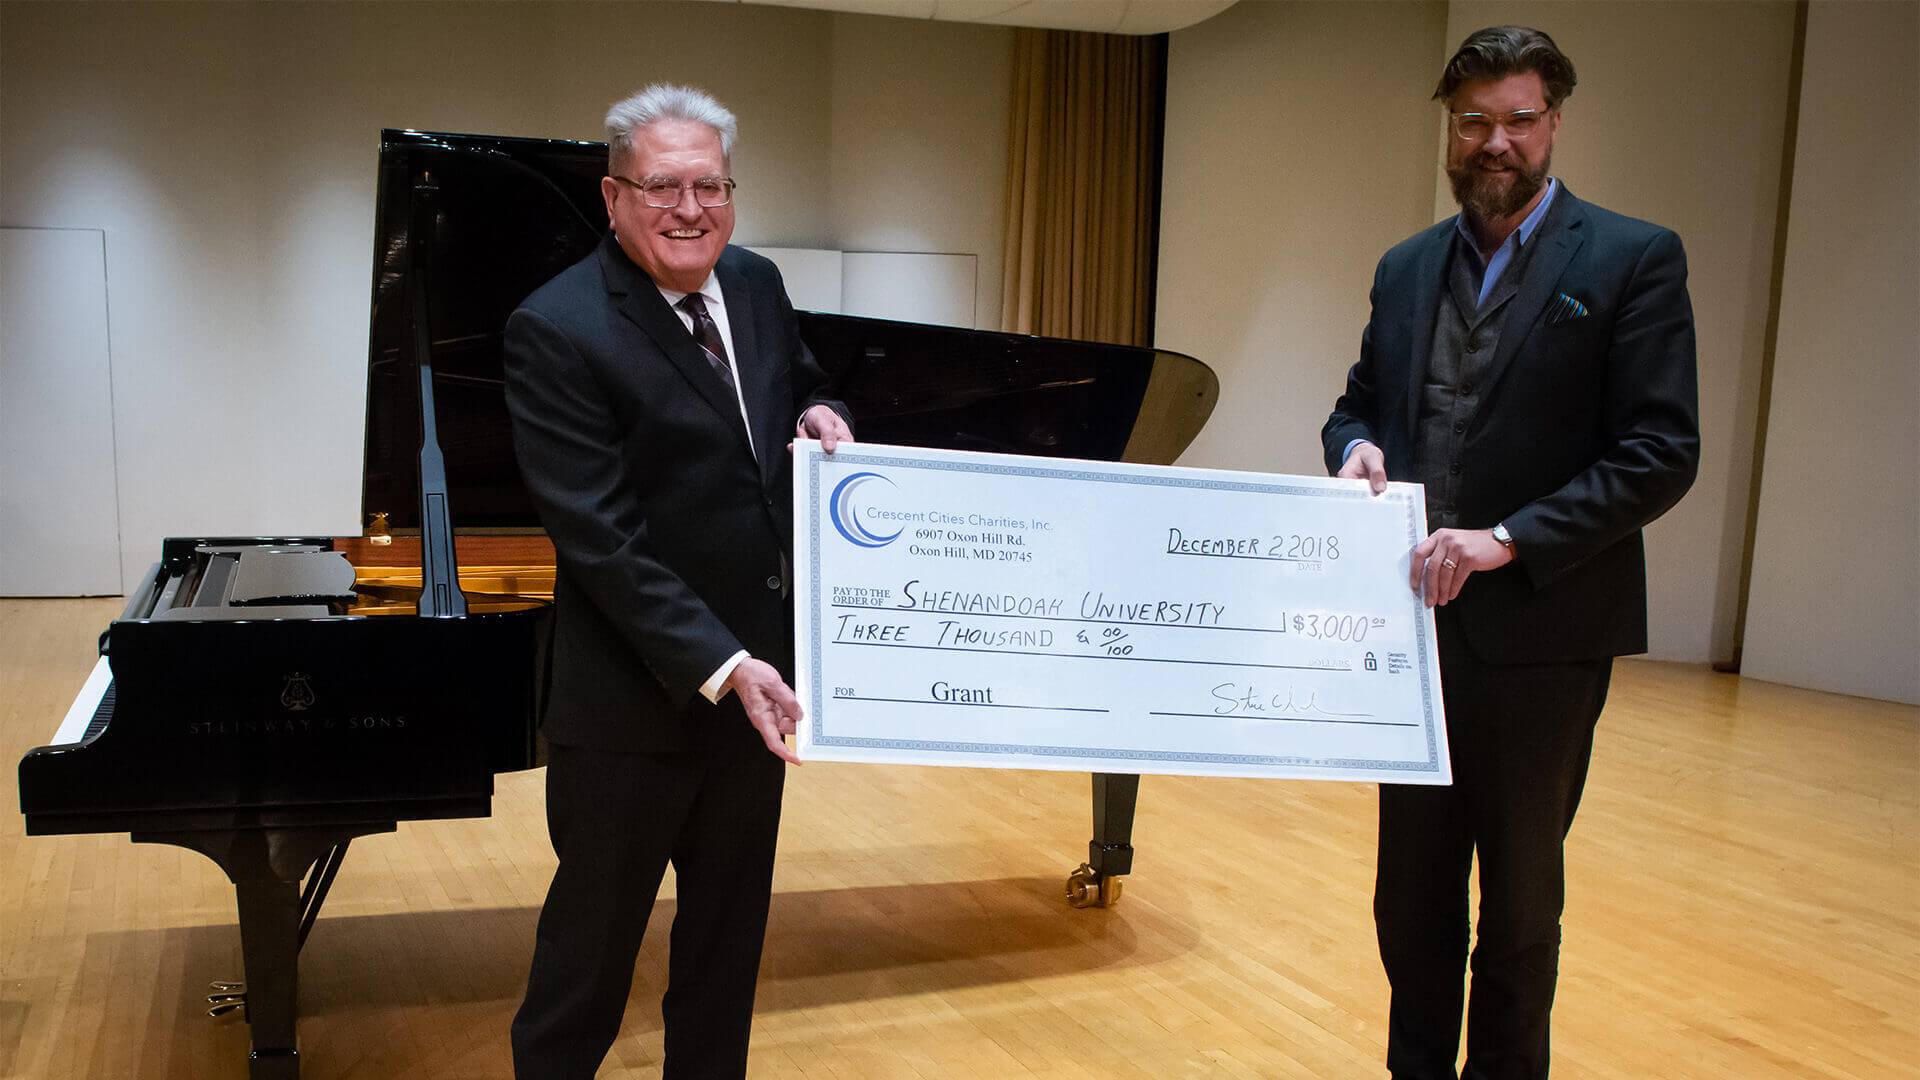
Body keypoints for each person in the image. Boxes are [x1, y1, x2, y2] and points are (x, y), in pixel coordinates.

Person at [1321, 26, 1699, 1080]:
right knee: (1410, 897)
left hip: (1546, 635)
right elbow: (1359, 405)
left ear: (1554, 124)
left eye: (1519, 120)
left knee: (1522, 902)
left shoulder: (1632, 258)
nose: (1496, 142)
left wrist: (1506, 539)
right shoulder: (1406, 268)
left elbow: (1662, 452)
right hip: (1411, 636)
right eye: (1474, 122)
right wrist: (1355, 449)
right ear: (1451, 129)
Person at [502, 83, 853, 1079]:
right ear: (614, 197)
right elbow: (600, 539)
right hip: (632, 707)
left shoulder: (755, 282)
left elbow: (802, 382)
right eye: (663, 187)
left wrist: (821, 412)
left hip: (758, 701)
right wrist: (725, 662)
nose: (690, 209)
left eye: (711, 186)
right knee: (587, 963)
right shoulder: (557, 326)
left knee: (725, 952)